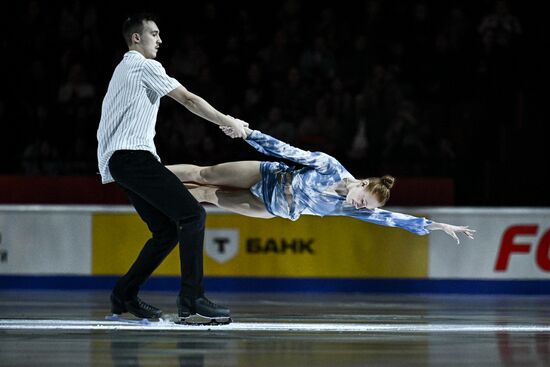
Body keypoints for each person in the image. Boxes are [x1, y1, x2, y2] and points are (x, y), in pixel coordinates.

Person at [96, 13, 248, 324]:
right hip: (132, 158)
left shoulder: (121, 70)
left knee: (166, 231)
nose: (160, 40)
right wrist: (228, 122)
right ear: (136, 38)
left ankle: (124, 294)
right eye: (154, 33)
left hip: (120, 161)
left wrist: (112, 164)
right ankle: (191, 298)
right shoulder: (144, 66)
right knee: (193, 214)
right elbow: (189, 100)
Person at [167, 126, 475, 243]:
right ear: (363, 184)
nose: (360, 206)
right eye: (363, 200)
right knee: (204, 173)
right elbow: (288, 151)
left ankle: (155, 195)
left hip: (271, 207)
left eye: (366, 208)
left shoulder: (354, 211)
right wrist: (249, 134)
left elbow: (396, 220)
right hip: (266, 175)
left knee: (207, 194)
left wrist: (439, 226)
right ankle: (148, 171)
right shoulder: (329, 166)